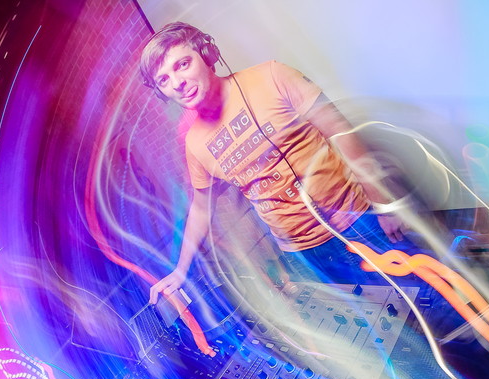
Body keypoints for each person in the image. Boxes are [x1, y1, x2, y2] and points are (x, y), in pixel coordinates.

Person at [139, 22, 408, 304]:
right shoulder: (194, 144)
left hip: (359, 222)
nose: (177, 83)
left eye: (182, 64)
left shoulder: (272, 76)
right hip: (302, 255)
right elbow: (201, 207)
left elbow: (340, 131)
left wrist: (383, 204)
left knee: (419, 302)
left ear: (207, 54)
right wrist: (181, 270)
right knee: (368, 322)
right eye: (164, 80)